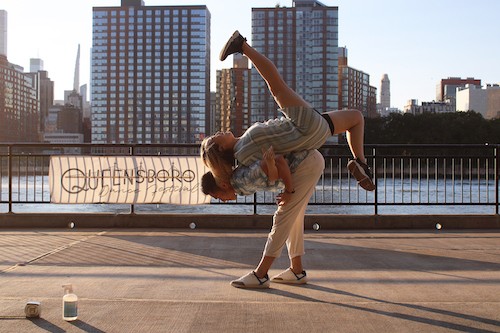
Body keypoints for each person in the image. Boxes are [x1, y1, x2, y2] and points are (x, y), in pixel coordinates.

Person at [201, 31, 375, 192]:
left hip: (316, 136)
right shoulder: (243, 151)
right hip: (304, 126)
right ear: (221, 147)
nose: (219, 132)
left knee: (356, 118)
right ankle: (241, 46)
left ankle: (361, 163)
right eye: (216, 136)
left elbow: (272, 171)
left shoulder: (244, 155)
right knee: (276, 86)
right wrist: (286, 187)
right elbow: (272, 172)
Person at [203, 148, 325, 288]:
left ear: (223, 185)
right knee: (293, 218)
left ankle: (260, 274)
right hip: (310, 162)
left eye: (219, 197)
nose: (222, 201)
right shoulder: (239, 181)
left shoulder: (243, 180)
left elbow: (279, 160)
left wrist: (289, 191)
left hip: (306, 165)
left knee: (282, 218)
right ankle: (296, 271)